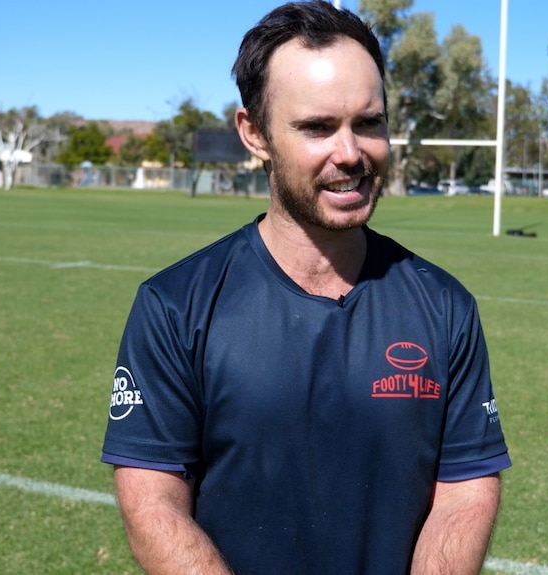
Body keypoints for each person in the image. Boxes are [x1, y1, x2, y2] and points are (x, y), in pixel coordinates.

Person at [101, 2, 511, 573]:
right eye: (317, 127)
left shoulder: (444, 306)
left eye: (369, 123)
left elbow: (466, 491)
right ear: (255, 133)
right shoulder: (175, 306)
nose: (350, 154)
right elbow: (153, 501)